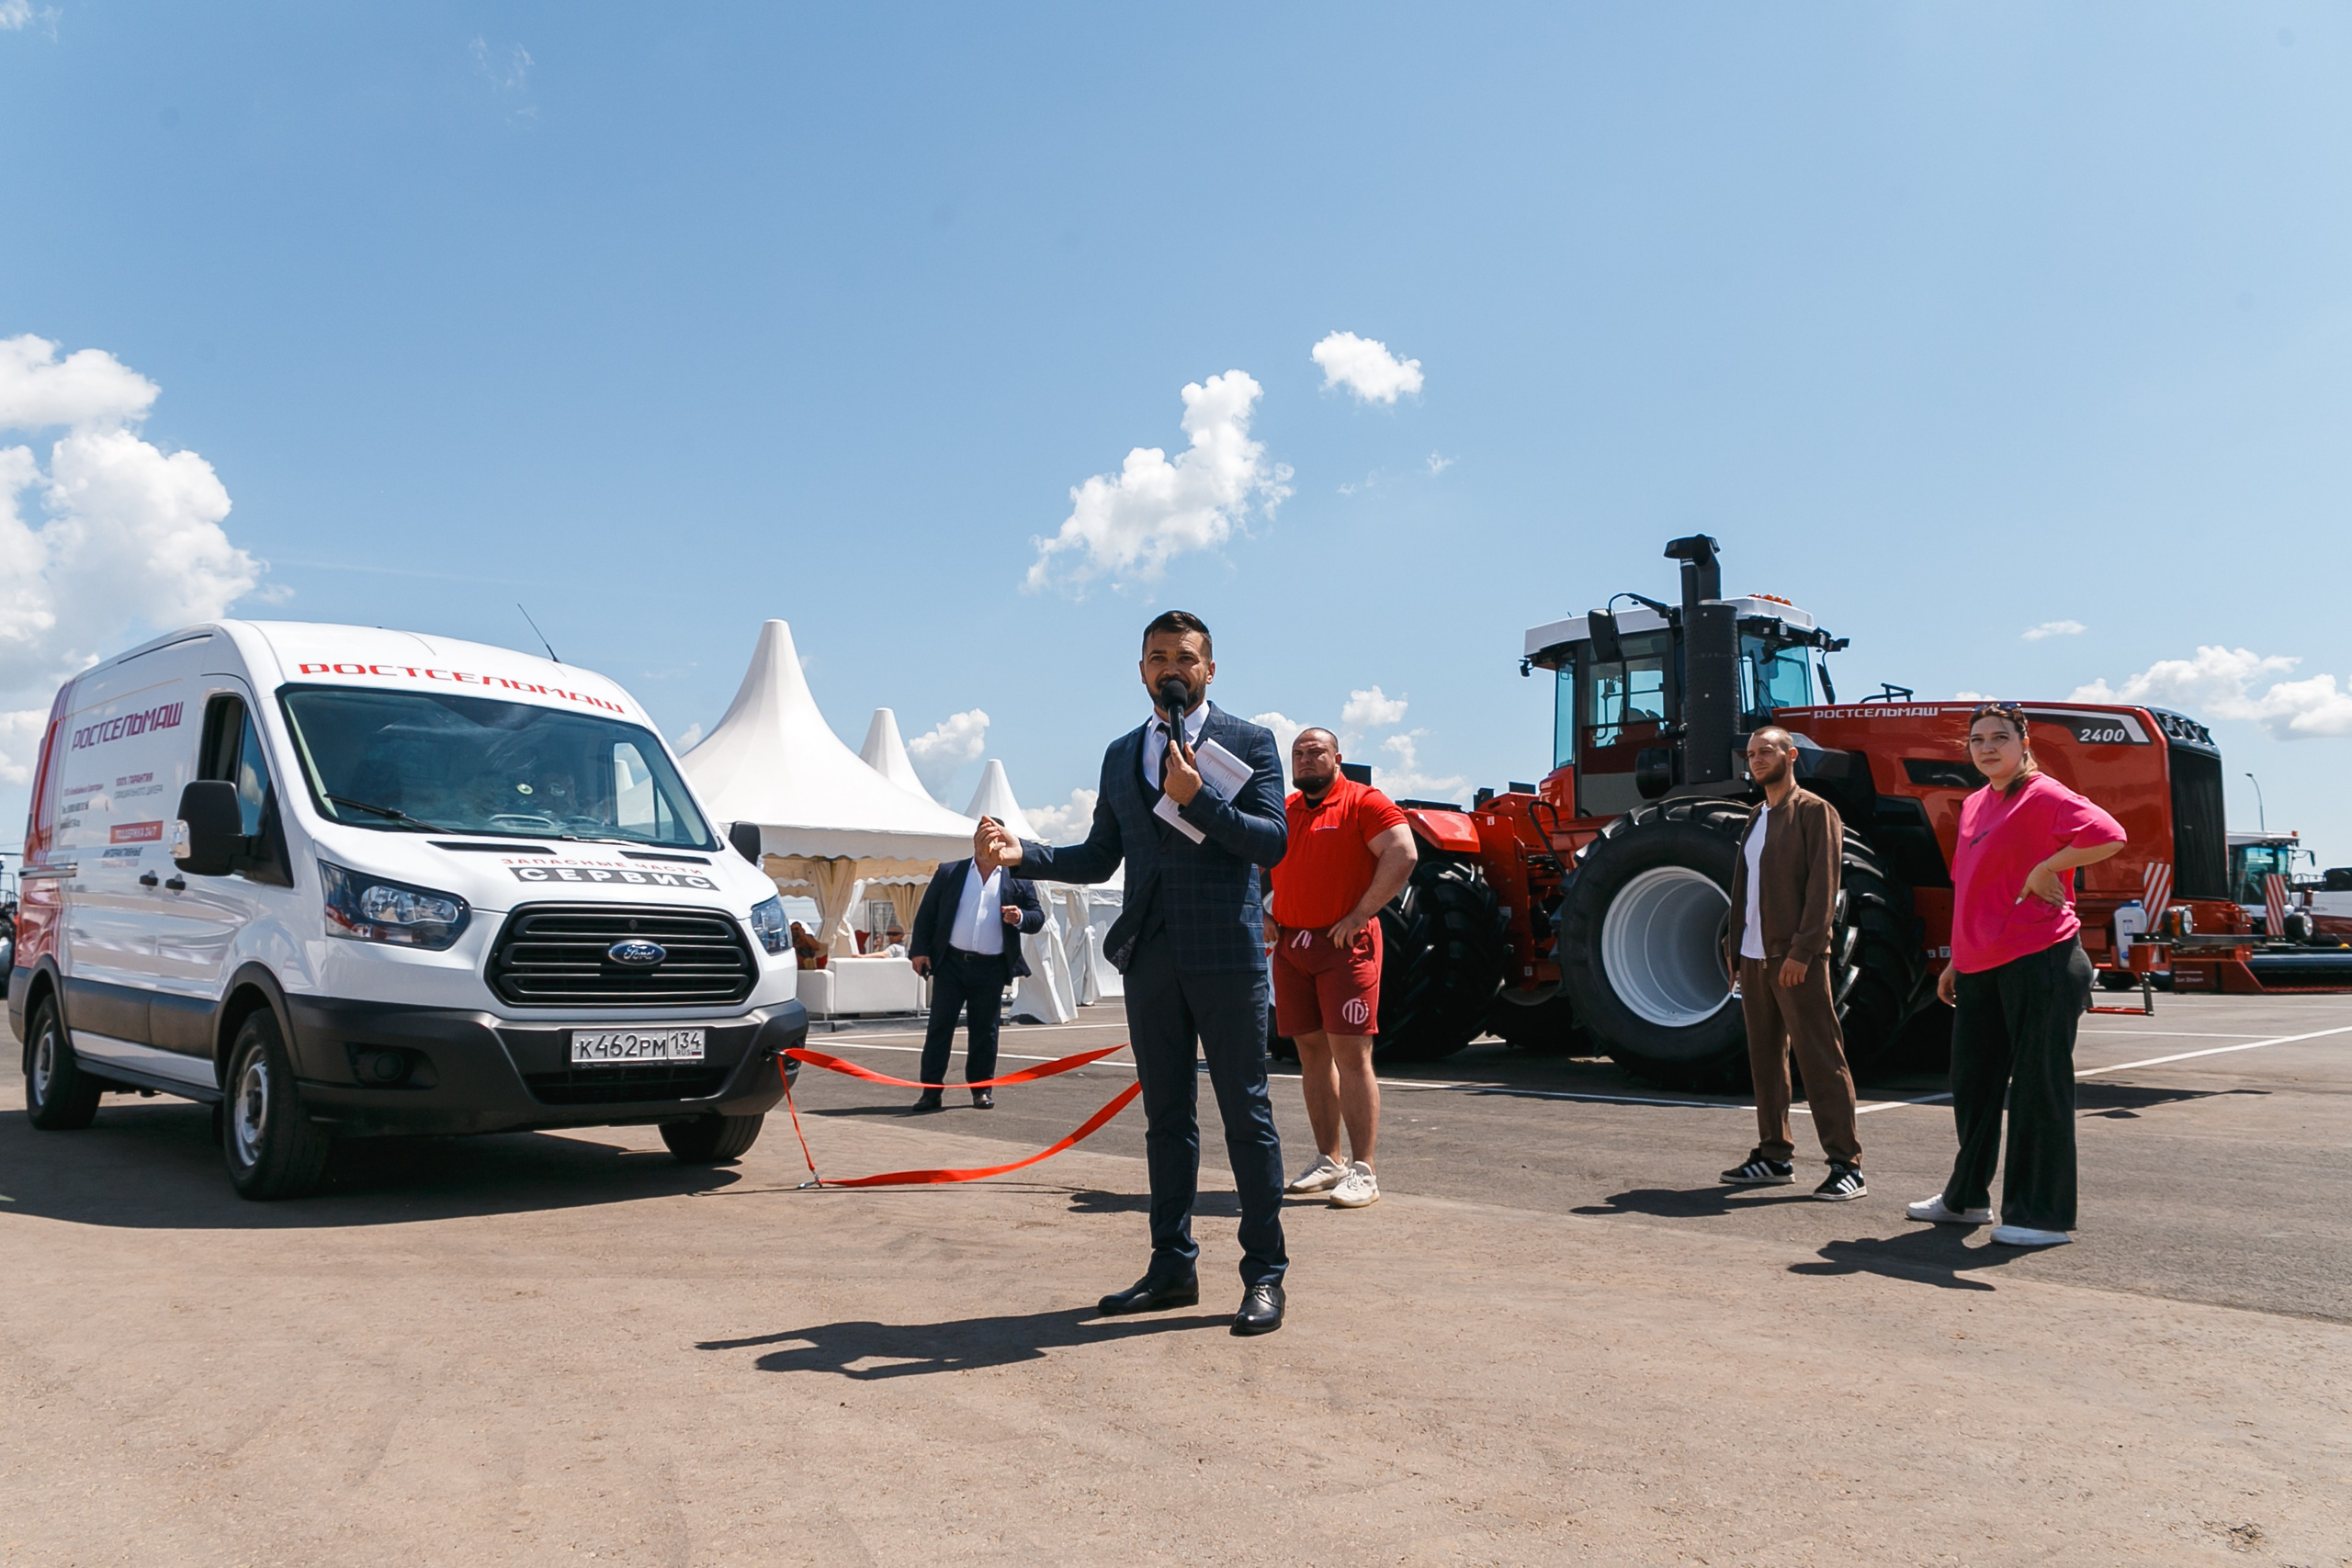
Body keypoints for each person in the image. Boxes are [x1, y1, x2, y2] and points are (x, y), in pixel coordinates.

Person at [980, 610, 1292, 1336]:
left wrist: (1202, 801)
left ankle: (1265, 1274)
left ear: (1209, 669)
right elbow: (1098, 855)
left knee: (1247, 1114)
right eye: (1157, 656)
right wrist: (1024, 852)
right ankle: (1171, 1265)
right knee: (1166, 1120)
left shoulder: (1249, 740)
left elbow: (1272, 843)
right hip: (1151, 959)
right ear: (1142, 670)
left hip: (1227, 955)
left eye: (1185, 656)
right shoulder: (1122, 753)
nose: (1170, 667)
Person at [1907, 703, 2124, 1248]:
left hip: (2041, 957)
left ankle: (2040, 1216)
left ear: (2024, 742)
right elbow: (1974, 889)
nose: (1986, 747)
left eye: (1999, 737)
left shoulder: (2045, 794)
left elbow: (2110, 834)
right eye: (1977, 739)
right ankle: (1966, 1198)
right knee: (1973, 1086)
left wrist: (2049, 866)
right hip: (1980, 964)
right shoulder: (1976, 803)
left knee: (2037, 1088)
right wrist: (1958, 957)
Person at [1266, 728, 1416, 1210]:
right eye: (1299, 754)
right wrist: (1262, 913)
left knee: (1351, 1056)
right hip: (1293, 945)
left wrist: (1360, 914)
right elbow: (1251, 865)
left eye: (1316, 753)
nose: (1306, 760)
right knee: (1311, 1054)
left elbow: (1403, 852)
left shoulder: (1363, 802)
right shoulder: (1285, 810)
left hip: (1343, 945)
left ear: (1337, 758)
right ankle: (1328, 1160)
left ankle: (1364, 1169)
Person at [1717, 726, 1866, 1201]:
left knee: (1821, 1057)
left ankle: (1847, 1164)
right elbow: (1746, 889)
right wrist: (1736, 951)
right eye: (1752, 753)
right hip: (1754, 957)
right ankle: (1774, 1156)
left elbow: (1824, 887)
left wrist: (1804, 951)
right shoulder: (1756, 816)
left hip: (1794, 957)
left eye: (1768, 751)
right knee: (1765, 1061)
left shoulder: (1815, 811)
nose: (1758, 759)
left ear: (1791, 755)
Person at [907, 819, 1046, 1111]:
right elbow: (926, 914)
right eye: (984, 840)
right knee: (939, 1029)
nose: (989, 847)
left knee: (985, 1031)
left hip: (992, 967)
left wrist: (1019, 916)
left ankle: (981, 1090)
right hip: (951, 965)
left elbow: (1037, 917)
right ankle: (930, 1092)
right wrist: (919, 951)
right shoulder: (950, 872)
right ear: (975, 842)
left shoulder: (1018, 877)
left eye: (996, 840)